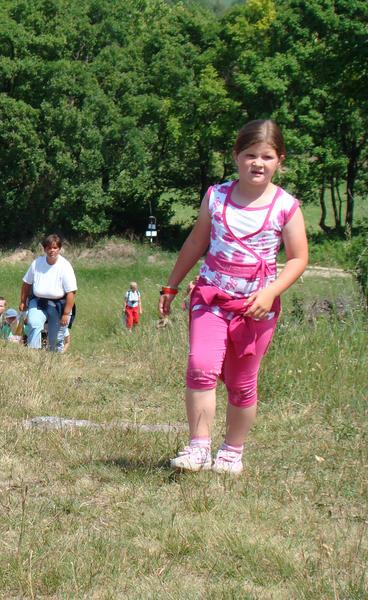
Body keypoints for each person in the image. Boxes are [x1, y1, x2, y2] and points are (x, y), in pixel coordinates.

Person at [159, 119, 308, 475]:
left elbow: (298, 258)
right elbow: (196, 242)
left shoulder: (286, 206)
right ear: (236, 156)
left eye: (267, 156)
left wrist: (270, 293)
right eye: (250, 155)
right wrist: (171, 285)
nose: (258, 163)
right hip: (210, 298)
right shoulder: (216, 196)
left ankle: (231, 453)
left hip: (255, 310)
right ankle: (198, 448)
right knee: (201, 367)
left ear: (280, 160)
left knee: (242, 384)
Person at [19, 234, 77, 352]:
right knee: (33, 324)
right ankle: (33, 354)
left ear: (59, 249)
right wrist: (23, 301)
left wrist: (66, 313)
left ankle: (54, 358)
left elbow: (71, 292)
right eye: (49, 248)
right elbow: (26, 283)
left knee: (55, 339)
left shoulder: (65, 266)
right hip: (38, 301)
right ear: (45, 249)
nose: (52, 250)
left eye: (55, 248)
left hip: (58, 305)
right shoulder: (37, 263)